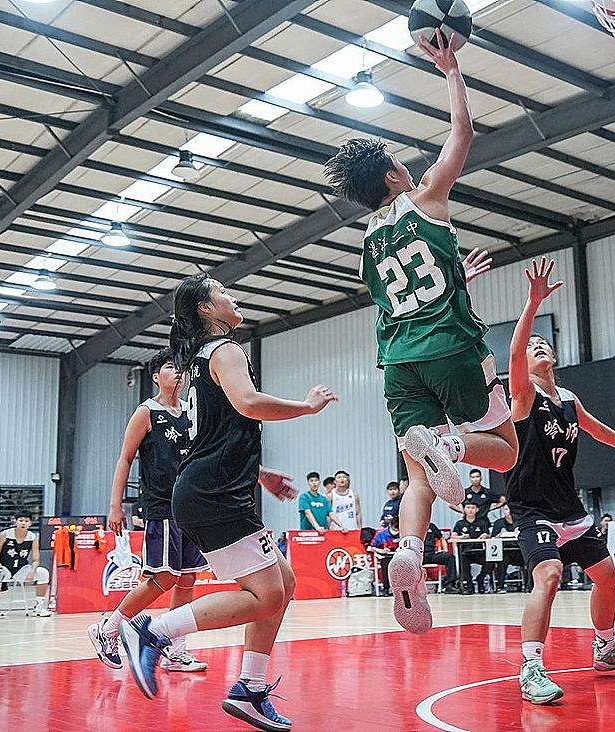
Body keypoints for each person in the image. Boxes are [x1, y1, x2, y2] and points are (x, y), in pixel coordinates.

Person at [324, 30, 518, 635]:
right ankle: (453, 448)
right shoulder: (426, 196)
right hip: (452, 348)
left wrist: (455, 275)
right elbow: (463, 133)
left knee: (417, 475)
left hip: (398, 361)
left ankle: (408, 551)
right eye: (398, 163)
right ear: (391, 176)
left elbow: (400, 293)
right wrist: (451, 70)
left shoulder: (367, 241)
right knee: (506, 448)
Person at [118, 273, 337, 731]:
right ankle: (152, 632)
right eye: (222, 291)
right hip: (213, 494)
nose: (232, 296)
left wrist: (259, 473)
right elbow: (250, 403)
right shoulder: (224, 350)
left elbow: (214, 434)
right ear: (205, 308)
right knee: (267, 594)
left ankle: (250, 689)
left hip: (212, 488)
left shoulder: (199, 361)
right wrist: (306, 406)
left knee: (284, 584)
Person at [506, 257, 615, 704]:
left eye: (543, 344)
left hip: (568, 506)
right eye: (533, 345)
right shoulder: (524, 394)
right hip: (532, 505)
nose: (537, 347)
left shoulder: (568, 399)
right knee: (550, 574)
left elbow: (597, 430)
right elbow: (515, 354)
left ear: (554, 357)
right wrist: (533, 304)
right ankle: (531, 668)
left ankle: (606, 648)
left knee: (607, 576)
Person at [88, 349, 208, 674]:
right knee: (165, 576)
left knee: (188, 578)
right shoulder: (147, 412)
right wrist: (115, 506)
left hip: (191, 507)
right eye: (171, 367)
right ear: (156, 376)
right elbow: (125, 458)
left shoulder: (191, 413)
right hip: (162, 505)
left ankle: (177, 651)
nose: (179, 372)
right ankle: (108, 628)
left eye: (181, 368)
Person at [0, 515, 52, 619]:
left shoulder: (33, 537)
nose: (23, 523)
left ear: (30, 524)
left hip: (21, 569)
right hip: (4, 567)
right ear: (15, 522)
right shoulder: (5, 534)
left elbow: (36, 560)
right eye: (20, 520)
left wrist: (32, 571)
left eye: (26, 521)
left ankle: (38, 608)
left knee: (43, 573)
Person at [452, 501, 493, 594]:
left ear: (477, 510)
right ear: (464, 509)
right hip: (466, 552)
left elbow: (488, 534)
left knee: (491, 562)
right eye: (468, 507)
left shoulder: (482, 523)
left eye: (473, 508)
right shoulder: (460, 523)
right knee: (463, 563)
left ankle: (480, 579)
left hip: (479, 551)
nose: (470, 510)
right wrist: (461, 537)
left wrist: (485, 535)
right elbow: (453, 536)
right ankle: (469, 586)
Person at [423, 522, 459, 593]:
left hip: (431, 554)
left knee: (450, 557)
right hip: (419, 555)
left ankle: (450, 585)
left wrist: (445, 550)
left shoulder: (431, 526)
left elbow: (441, 538)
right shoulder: (412, 526)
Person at [370, 518, 402, 596]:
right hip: (386, 556)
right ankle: (386, 588)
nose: (396, 531)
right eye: (395, 529)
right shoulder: (382, 534)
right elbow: (371, 547)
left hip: (400, 555)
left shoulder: (403, 533)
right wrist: (381, 551)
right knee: (386, 564)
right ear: (391, 526)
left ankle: (402, 588)